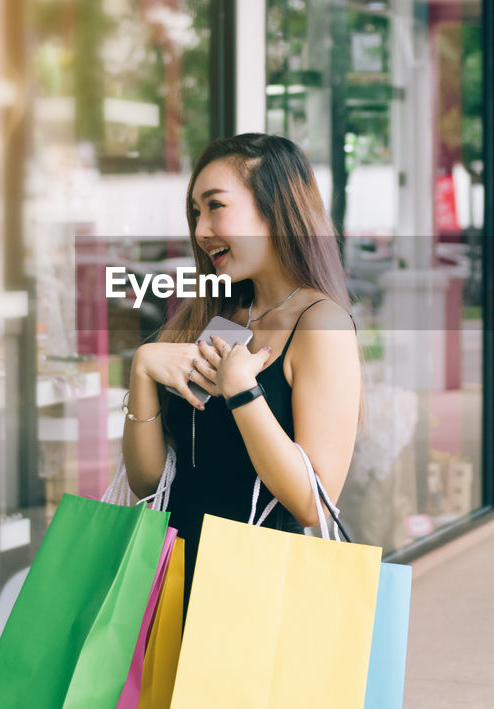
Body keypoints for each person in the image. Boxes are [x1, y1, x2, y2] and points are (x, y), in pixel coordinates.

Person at [121, 133, 363, 613]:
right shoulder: (219, 318)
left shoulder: (320, 323)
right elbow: (150, 483)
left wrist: (242, 392)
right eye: (195, 213)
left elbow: (314, 503)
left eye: (216, 207)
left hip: (254, 594)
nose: (201, 229)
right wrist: (142, 372)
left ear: (275, 207)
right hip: (174, 576)